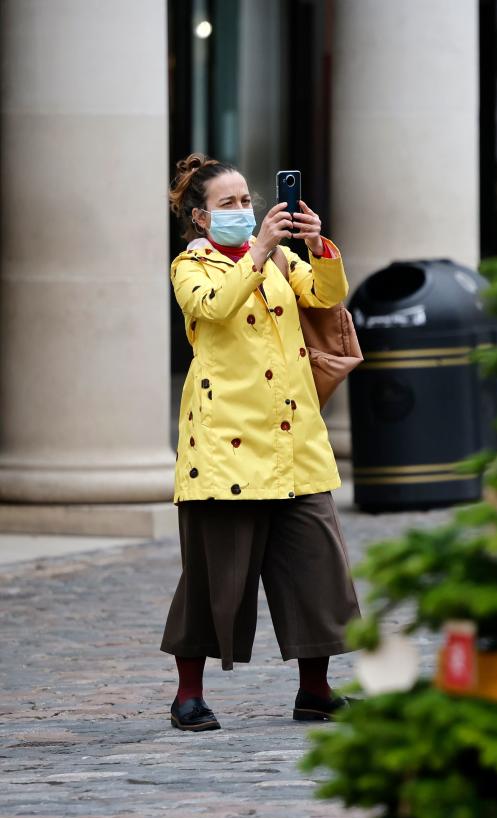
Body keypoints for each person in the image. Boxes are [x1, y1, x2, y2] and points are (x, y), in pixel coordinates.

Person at [161, 153, 361, 732]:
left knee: (316, 571)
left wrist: (319, 248)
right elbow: (213, 309)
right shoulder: (190, 266)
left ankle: (316, 692)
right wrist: (257, 252)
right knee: (211, 577)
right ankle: (187, 695)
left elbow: (326, 297)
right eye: (229, 204)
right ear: (201, 218)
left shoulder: (278, 263)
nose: (245, 210)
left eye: (247, 200)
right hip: (225, 450)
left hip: (294, 443)